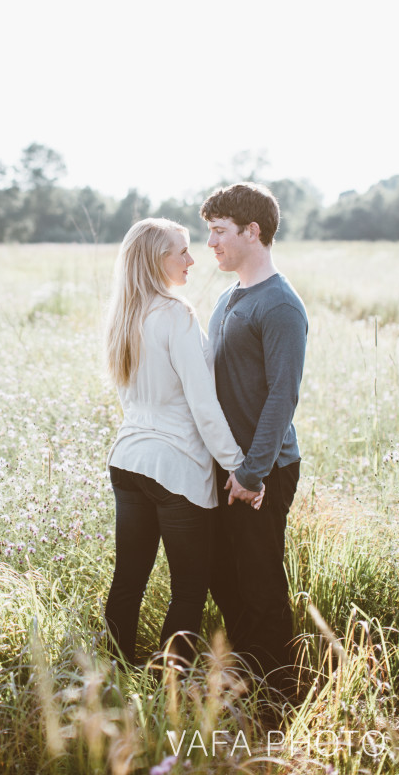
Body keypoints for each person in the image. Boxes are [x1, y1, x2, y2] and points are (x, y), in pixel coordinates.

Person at [103, 217, 263, 669]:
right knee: (189, 589)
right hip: (175, 468)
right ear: (157, 260)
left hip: (127, 461)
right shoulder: (175, 314)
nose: (192, 259)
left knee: (128, 581)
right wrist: (238, 466)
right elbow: (203, 406)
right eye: (182, 251)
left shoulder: (124, 314)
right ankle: (170, 693)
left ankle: (113, 679)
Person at [200, 182, 308, 702]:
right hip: (231, 466)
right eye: (209, 233)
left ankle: (278, 700)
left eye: (220, 232)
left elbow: (282, 397)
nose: (211, 244)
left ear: (253, 231)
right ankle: (246, 681)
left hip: (263, 469)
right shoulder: (229, 296)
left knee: (260, 584)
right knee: (224, 576)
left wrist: (251, 473)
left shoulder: (280, 306)